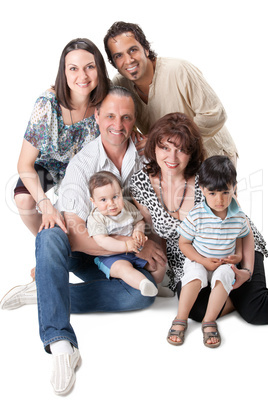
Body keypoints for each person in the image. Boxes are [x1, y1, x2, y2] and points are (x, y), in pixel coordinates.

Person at [32, 87, 166, 395]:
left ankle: (46, 291)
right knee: (51, 233)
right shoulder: (82, 163)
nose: (117, 125)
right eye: (109, 116)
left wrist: (143, 242)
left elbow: (155, 211)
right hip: (85, 250)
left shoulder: (146, 157)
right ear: (96, 117)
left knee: (143, 295)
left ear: (134, 122)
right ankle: (61, 343)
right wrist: (132, 244)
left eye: (125, 117)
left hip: (122, 257)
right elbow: (77, 233)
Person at [130, 112, 268, 329]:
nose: (172, 158)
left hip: (233, 247)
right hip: (189, 259)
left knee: (257, 311)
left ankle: (242, 298)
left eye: (181, 150)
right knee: (195, 310)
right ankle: (232, 297)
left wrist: (247, 271)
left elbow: (244, 227)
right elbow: (154, 231)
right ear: (153, 148)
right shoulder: (141, 183)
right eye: (165, 148)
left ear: (191, 152)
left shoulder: (206, 177)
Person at [0, 38, 110, 309]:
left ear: (99, 70)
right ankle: (50, 256)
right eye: (73, 69)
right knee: (24, 200)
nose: (82, 76)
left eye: (89, 67)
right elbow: (24, 165)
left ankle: (60, 263)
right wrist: (46, 205)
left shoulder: (105, 100)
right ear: (63, 72)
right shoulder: (46, 105)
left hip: (86, 170)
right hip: (51, 165)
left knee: (92, 212)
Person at [104, 21, 238, 165]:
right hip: (173, 164)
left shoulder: (179, 70)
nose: (128, 60)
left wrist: (163, 139)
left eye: (133, 50)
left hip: (211, 158)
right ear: (113, 63)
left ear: (146, 49)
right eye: (118, 56)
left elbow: (215, 114)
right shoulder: (120, 85)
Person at [167, 156, 251, 348]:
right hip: (199, 260)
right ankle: (180, 318)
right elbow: (184, 243)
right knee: (194, 276)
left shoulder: (238, 215)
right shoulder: (197, 214)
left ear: (234, 187)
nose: (219, 200)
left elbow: (239, 236)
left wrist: (238, 255)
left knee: (224, 277)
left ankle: (209, 321)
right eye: (212, 193)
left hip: (224, 263)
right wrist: (203, 261)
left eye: (225, 192)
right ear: (202, 189)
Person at [88, 171, 160, 296]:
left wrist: (138, 231)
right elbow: (102, 241)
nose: (111, 203)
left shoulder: (127, 207)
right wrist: (125, 246)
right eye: (103, 200)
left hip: (135, 249)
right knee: (124, 269)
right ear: (93, 201)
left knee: (157, 264)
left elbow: (139, 221)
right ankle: (143, 284)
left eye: (115, 197)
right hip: (110, 256)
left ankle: (156, 287)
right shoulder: (96, 218)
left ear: (121, 193)